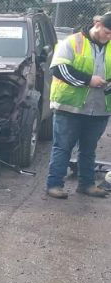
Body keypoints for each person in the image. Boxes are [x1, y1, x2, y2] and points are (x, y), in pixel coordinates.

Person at [46, 12, 111, 198]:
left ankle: (86, 185)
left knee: (89, 149)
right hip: (70, 107)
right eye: (107, 32)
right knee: (63, 147)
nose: (109, 36)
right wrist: (88, 80)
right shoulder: (72, 42)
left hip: (99, 108)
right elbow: (59, 69)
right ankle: (54, 185)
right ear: (97, 23)